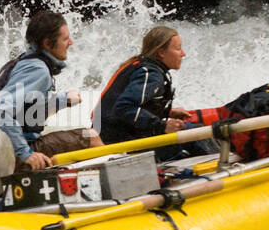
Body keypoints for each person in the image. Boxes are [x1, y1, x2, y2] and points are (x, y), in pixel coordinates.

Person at [0, 10, 102, 171]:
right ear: (47, 43)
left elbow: (28, 107)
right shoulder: (38, 69)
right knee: (91, 137)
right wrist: (26, 153)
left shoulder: (23, 61)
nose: (70, 43)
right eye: (65, 39)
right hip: (5, 152)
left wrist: (62, 100)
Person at [93, 25, 216, 162]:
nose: (183, 54)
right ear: (161, 52)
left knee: (193, 130)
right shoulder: (151, 74)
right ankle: (219, 166)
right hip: (117, 142)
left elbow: (130, 106)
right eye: (178, 49)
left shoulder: (139, 65)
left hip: (109, 135)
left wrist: (167, 113)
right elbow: (124, 107)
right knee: (195, 133)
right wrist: (162, 125)